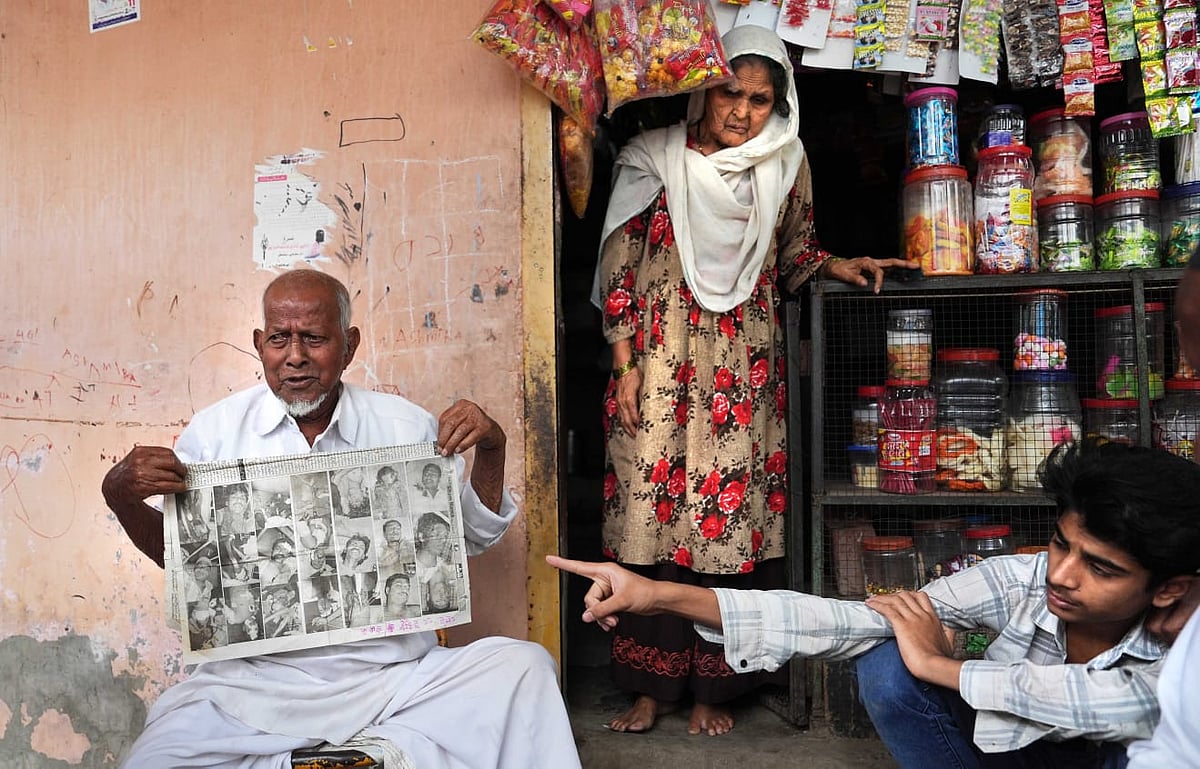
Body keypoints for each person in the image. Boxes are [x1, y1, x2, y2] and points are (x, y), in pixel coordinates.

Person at [101, 269, 580, 768]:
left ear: (349, 346)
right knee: (157, 758)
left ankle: (368, 749)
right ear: (259, 344)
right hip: (251, 685)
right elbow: (185, 563)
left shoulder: (405, 426)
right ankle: (364, 754)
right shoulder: (214, 434)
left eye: (314, 338)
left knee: (523, 668)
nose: (295, 356)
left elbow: (472, 539)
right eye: (280, 339)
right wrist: (121, 496)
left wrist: (493, 446)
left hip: (393, 678)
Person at [590, 23, 920, 735]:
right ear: (703, 91)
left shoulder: (784, 163)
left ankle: (714, 691)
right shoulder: (654, 159)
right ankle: (652, 686)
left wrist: (838, 265)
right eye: (730, 93)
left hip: (743, 370)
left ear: (779, 103)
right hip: (659, 363)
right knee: (653, 519)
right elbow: (619, 269)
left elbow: (795, 254)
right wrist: (623, 364)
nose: (742, 112)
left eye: (760, 99)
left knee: (726, 521)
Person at [550, 439, 1200, 766]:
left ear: (1168, 585)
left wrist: (942, 665)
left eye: (1101, 568)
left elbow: (1098, 698)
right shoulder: (1030, 578)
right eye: (1061, 544)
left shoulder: (1185, 643)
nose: (1063, 573)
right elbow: (850, 620)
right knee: (885, 653)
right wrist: (659, 594)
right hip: (1022, 751)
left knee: (915, 657)